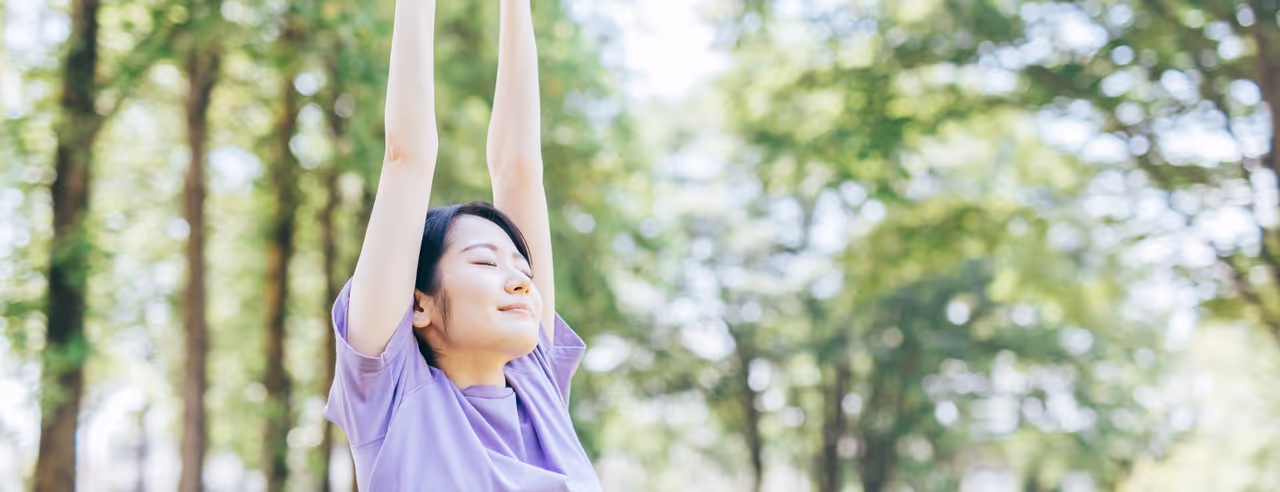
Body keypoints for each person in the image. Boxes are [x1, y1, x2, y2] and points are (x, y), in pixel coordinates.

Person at [323, 0, 602, 489]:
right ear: (418, 305)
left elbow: (519, 170)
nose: (520, 281)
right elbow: (406, 156)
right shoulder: (390, 397)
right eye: (484, 261)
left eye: (523, 269)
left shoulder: (537, 384)